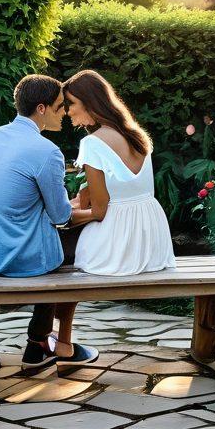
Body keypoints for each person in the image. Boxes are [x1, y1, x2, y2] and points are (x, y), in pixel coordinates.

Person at [0, 74, 99, 376]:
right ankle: (39, 343)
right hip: (13, 256)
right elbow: (60, 217)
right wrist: (95, 212)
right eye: (59, 106)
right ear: (41, 109)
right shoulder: (46, 151)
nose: (64, 113)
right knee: (67, 253)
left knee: (44, 237)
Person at [62, 68, 176, 333]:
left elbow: (100, 211)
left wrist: (65, 215)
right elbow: (124, 192)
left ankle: (59, 337)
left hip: (120, 248)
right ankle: (61, 338)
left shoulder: (92, 143)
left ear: (90, 103)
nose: (67, 112)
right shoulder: (137, 135)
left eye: (71, 104)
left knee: (62, 257)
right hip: (153, 243)